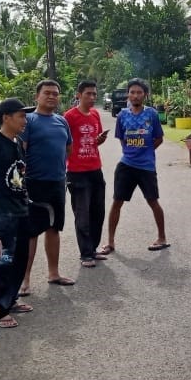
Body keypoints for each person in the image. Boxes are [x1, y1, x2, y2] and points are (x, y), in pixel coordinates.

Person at [0, 98, 37, 329]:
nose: (25, 120)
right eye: (21, 115)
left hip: (21, 210)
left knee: (19, 260)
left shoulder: (17, 143)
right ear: (6, 117)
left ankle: (10, 299)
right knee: (5, 261)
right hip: (3, 214)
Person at [105, 79, 169, 254]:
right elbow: (121, 138)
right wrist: (132, 152)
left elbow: (159, 138)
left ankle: (162, 237)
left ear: (145, 95)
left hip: (146, 167)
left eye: (139, 92)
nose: (135, 95)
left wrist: (145, 151)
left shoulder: (152, 114)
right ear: (128, 94)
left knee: (153, 202)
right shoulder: (122, 115)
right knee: (117, 202)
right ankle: (110, 243)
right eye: (132, 92)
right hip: (126, 165)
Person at [22, 79, 74, 291]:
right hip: (34, 183)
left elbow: (68, 148)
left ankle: (54, 273)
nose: (52, 96)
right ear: (37, 96)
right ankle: (24, 279)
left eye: (55, 93)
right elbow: (21, 151)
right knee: (31, 232)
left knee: (54, 228)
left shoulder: (62, 121)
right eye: (47, 93)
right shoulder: (29, 120)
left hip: (57, 182)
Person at [64, 81, 110, 269]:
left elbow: (93, 141)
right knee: (82, 214)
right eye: (88, 94)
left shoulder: (95, 114)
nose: (92, 97)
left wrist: (100, 140)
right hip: (76, 171)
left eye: (94, 94)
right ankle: (85, 253)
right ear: (79, 95)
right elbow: (65, 143)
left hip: (95, 169)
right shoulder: (69, 116)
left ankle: (93, 248)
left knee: (97, 212)